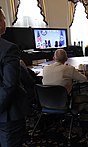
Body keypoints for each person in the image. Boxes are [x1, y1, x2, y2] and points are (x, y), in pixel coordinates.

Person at [0, 6, 29, 146]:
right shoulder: (8, 48)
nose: (5, 21)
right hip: (9, 115)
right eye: (4, 19)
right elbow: (9, 85)